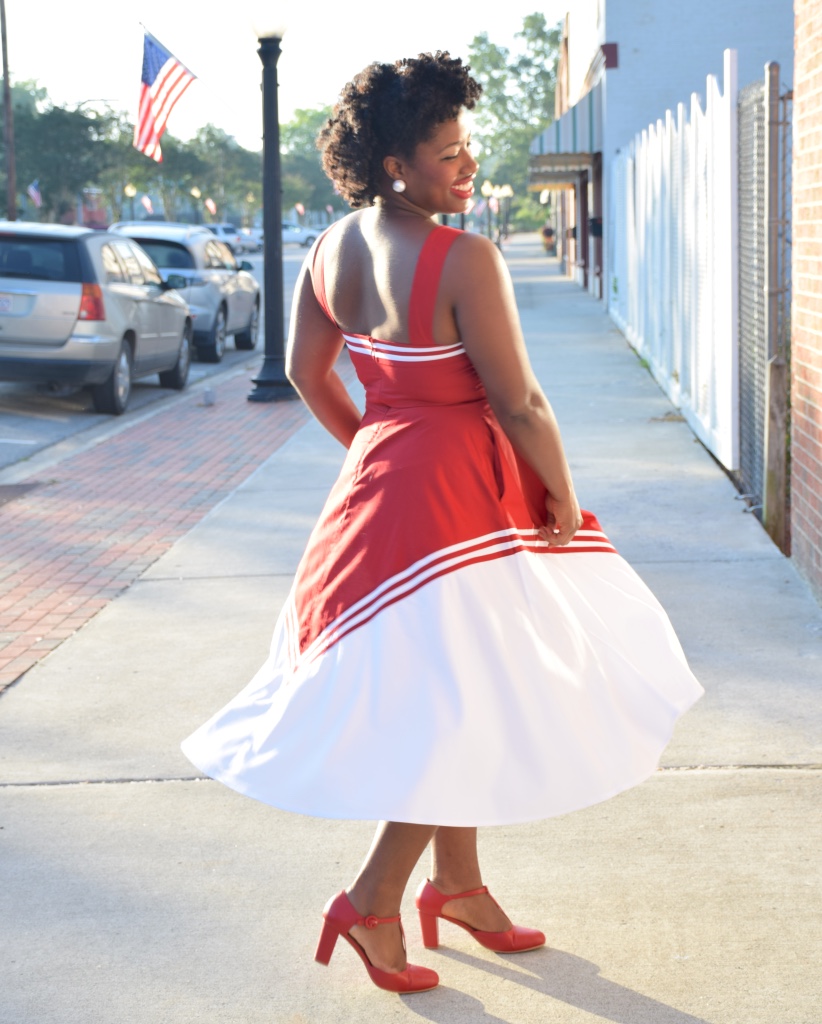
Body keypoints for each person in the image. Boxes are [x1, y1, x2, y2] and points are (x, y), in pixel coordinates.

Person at [182, 52, 703, 995]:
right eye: (449, 152)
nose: (469, 166)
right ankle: (372, 901)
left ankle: (456, 887)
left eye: (468, 147)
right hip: (460, 502)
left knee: (458, 692)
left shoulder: (328, 249)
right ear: (395, 165)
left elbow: (306, 373)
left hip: (381, 491)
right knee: (463, 704)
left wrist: (375, 446)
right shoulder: (465, 258)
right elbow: (521, 402)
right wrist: (558, 490)